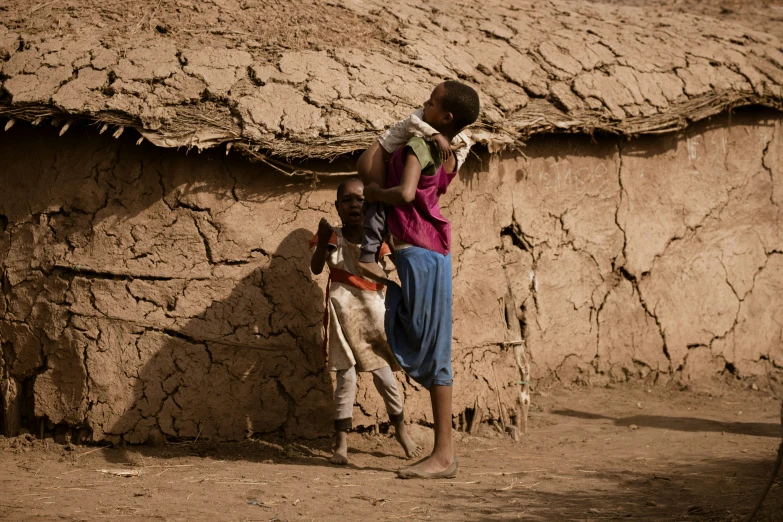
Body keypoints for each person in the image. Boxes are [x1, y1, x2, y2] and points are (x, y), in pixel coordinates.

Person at [362, 81, 480, 479]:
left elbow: (408, 194)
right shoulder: (446, 153)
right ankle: (443, 453)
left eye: (430, 102)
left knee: (432, 345)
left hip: (420, 250)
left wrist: (377, 192)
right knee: (427, 339)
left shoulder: (418, 146)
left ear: (444, 117)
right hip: (425, 251)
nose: (421, 105)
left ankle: (444, 455)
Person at [310, 178, 421, 465]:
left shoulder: (377, 239)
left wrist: (393, 240)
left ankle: (401, 431)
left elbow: (398, 263)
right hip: (342, 318)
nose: (354, 205)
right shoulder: (333, 237)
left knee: (385, 379)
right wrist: (322, 241)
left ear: (369, 204)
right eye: (347, 200)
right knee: (345, 379)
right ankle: (342, 444)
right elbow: (316, 267)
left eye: (360, 199)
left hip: (374, 318)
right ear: (337, 206)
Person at [355, 95, 473, 283]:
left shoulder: (460, 136)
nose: (424, 104)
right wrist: (436, 137)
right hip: (374, 159)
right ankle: (368, 257)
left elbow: (463, 148)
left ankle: (388, 250)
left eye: (431, 103)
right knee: (379, 205)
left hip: (385, 160)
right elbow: (413, 124)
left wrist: (451, 147)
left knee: (389, 210)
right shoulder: (419, 117)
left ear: (448, 118)